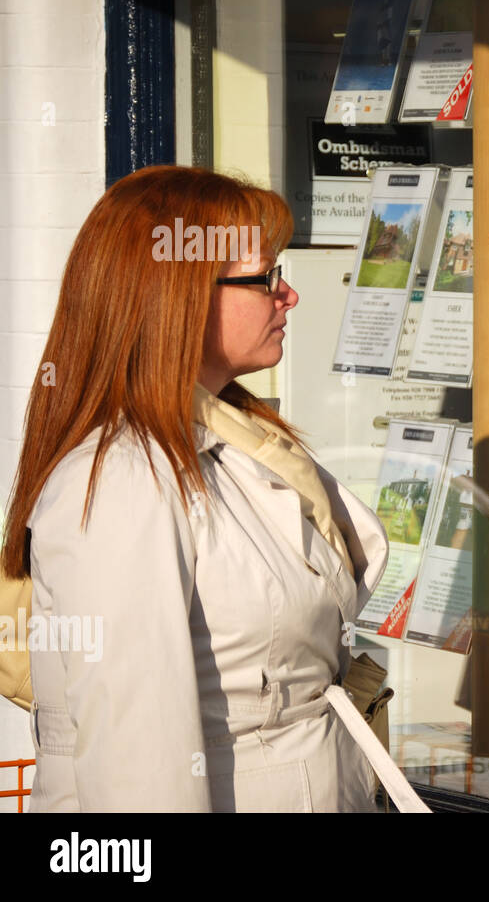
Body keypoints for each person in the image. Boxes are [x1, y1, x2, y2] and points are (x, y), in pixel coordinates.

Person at [0, 165, 389, 811]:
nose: (287, 295)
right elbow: (137, 761)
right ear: (176, 294)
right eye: (265, 278)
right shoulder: (126, 480)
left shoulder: (232, 440)